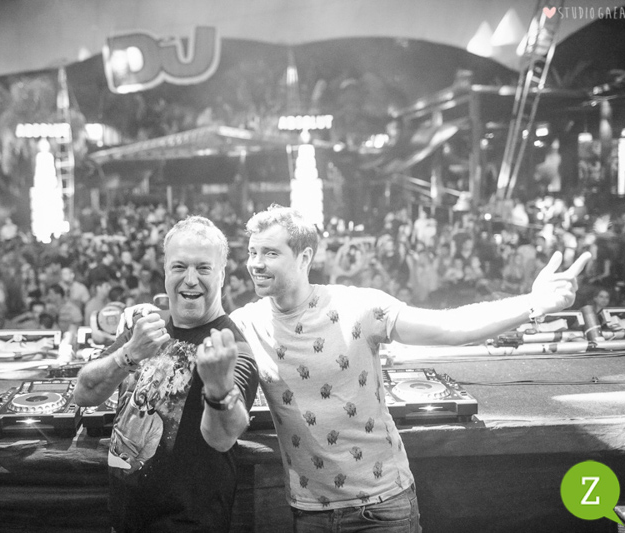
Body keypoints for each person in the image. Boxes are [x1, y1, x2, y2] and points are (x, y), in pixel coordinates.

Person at [224, 205, 590, 532]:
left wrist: (533, 304)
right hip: (309, 512)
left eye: (270, 253)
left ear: (304, 257)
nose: (255, 263)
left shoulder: (357, 306)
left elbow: (449, 326)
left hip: (381, 508)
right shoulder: (245, 324)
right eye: (253, 252)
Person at [74, 216, 259, 533]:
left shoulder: (231, 347)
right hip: (125, 514)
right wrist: (128, 353)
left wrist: (218, 387)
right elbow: (84, 393)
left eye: (203, 268)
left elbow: (222, 438)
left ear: (222, 275)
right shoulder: (147, 327)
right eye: (179, 267)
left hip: (188, 523)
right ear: (165, 272)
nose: (190, 279)